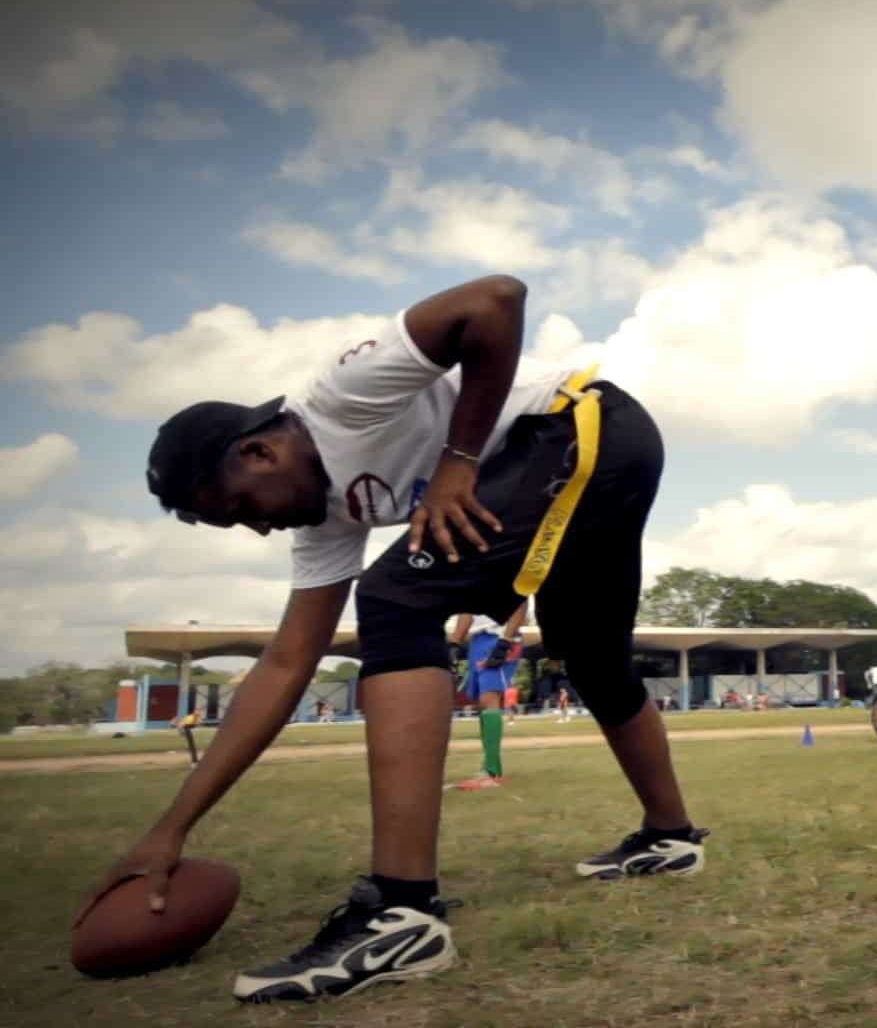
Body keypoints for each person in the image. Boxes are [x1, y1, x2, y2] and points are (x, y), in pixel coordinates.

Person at [87, 275, 709, 1003]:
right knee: (589, 654)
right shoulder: (324, 521)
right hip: (605, 453)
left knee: (392, 600)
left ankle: (401, 911)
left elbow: (495, 299)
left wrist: (459, 461)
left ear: (258, 453)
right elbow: (286, 665)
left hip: (578, 428)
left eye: (240, 509)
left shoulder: (343, 391)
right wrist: (172, 829)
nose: (258, 527)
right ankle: (672, 837)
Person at [448, 601, 528, 789]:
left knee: (488, 698)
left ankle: (491, 773)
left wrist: (506, 640)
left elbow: (520, 599)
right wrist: (454, 642)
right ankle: (491, 768)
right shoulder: (467, 575)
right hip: (478, 640)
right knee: (483, 703)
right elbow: (467, 610)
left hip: (500, 636)